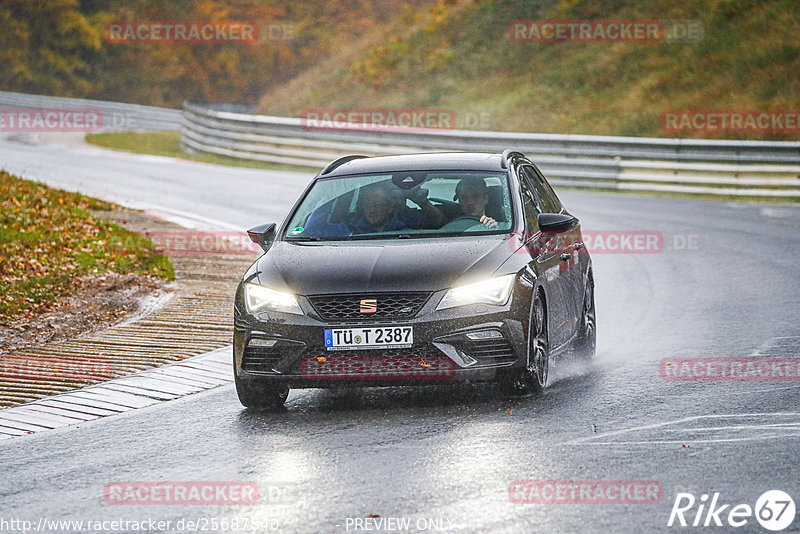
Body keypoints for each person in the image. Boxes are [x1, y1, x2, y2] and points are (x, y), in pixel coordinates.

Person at [303, 183, 408, 237]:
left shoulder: (407, 234)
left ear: (389, 208)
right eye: (367, 205)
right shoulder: (348, 230)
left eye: (377, 204)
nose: (372, 209)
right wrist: (331, 195)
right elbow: (312, 231)